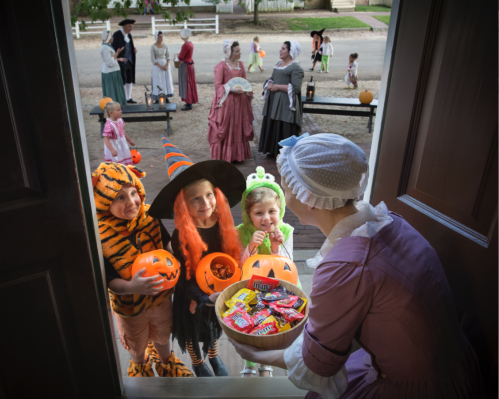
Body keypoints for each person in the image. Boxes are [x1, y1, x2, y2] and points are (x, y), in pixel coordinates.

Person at [229, 133, 484, 398]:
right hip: (456, 368)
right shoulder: (391, 223)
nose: (282, 187)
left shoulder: (346, 266)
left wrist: (257, 353)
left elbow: (318, 364)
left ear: (307, 198)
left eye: (286, 180)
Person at [148, 137, 246, 377]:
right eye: (196, 199)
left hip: (217, 286)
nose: (206, 204)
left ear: (217, 194)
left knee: (212, 327)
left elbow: (228, 257)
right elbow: (180, 272)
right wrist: (198, 297)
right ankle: (197, 361)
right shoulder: (181, 234)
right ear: (183, 205)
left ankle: (213, 355)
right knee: (191, 330)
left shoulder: (222, 222)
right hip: (190, 290)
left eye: (210, 195)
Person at [91, 162, 193, 377]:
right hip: (130, 307)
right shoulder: (102, 235)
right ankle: (140, 365)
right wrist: (130, 286)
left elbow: (165, 244)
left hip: (161, 297)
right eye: (119, 197)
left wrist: (178, 253)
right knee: (136, 342)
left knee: (163, 333)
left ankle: (166, 362)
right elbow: (108, 280)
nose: (131, 202)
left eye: (133, 193)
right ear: (103, 201)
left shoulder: (148, 217)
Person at [235, 166, 299, 378]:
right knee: (250, 324)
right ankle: (250, 364)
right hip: (250, 287)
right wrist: (250, 248)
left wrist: (275, 248)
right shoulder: (242, 233)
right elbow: (240, 266)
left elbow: (287, 266)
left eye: (272, 211)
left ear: (279, 211)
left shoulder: (285, 231)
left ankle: (266, 363)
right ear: (248, 214)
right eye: (259, 213)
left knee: (270, 324)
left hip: (277, 289)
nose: (266, 218)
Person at [207, 39, 254, 163]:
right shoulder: (221, 66)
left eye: (240, 50)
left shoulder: (241, 65)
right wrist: (232, 89)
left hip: (240, 103)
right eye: (237, 51)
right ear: (230, 53)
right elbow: (217, 86)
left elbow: (245, 82)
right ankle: (225, 155)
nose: (240, 53)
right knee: (227, 127)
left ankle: (237, 155)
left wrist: (246, 91)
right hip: (227, 103)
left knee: (238, 126)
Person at [258, 41, 304, 158]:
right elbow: (273, 78)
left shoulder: (296, 68)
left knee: (284, 125)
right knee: (273, 124)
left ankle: (284, 153)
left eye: (283, 49)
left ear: (290, 52)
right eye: (281, 48)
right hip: (274, 101)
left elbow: (296, 88)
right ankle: (274, 151)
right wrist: (269, 83)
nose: (280, 50)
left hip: (285, 104)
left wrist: (278, 87)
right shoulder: (279, 64)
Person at [112, 19, 138, 103]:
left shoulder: (129, 35)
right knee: (122, 79)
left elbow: (130, 45)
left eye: (131, 26)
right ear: (124, 26)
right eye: (129, 26)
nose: (131, 28)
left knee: (129, 79)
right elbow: (113, 49)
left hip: (129, 60)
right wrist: (117, 57)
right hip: (121, 61)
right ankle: (121, 97)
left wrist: (133, 50)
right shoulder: (117, 35)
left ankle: (128, 97)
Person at [99, 30, 127, 106]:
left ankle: (118, 107)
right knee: (112, 91)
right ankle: (113, 108)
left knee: (116, 90)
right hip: (110, 73)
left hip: (113, 72)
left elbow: (109, 59)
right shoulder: (105, 48)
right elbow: (109, 63)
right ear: (107, 37)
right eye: (111, 36)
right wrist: (117, 52)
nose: (112, 37)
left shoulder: (107, 46)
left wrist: (118, 59)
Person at [177, 28, 198, 111]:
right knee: (190, 82)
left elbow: (181, 56)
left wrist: (179, 58)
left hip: (186, 65)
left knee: (186, 83)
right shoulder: (191, 44)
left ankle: (188, 103)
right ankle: (190, 100)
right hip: (190, 64)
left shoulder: (185, 45)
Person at [150, 31, 174, 102]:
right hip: (157, 66)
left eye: (162, 36)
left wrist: (167, 65)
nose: (161, 38)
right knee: (158, 81)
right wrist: (160, 66)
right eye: (159, 37)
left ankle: (165, 97)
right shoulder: (153, 46)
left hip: (165, 66)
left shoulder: (165, 45)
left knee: (165, 81)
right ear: (156, 37)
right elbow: (153, 59)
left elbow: (168, 56)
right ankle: (157, 98)